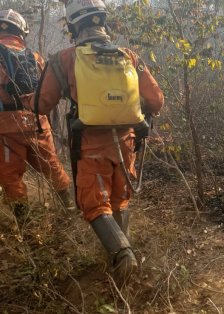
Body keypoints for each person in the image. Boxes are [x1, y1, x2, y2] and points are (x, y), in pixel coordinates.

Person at [33, 0, 164, 286]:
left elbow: (42, 105)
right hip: (127, 142)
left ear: (73, 26)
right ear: (103, 21)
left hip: (90, 145)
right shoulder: (129, 56)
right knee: (120, 199)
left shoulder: (64, 59)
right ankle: (120, 265)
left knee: (94, 204)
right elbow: (157, 100)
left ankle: (123, 255)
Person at [0, 9, 73, 224]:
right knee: (52, 168)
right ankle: (69, 212)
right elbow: (49, 93)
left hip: (6, 127)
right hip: (38, 123)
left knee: (11, 177)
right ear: (21, 32)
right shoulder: (35, 57)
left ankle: (25, 228)